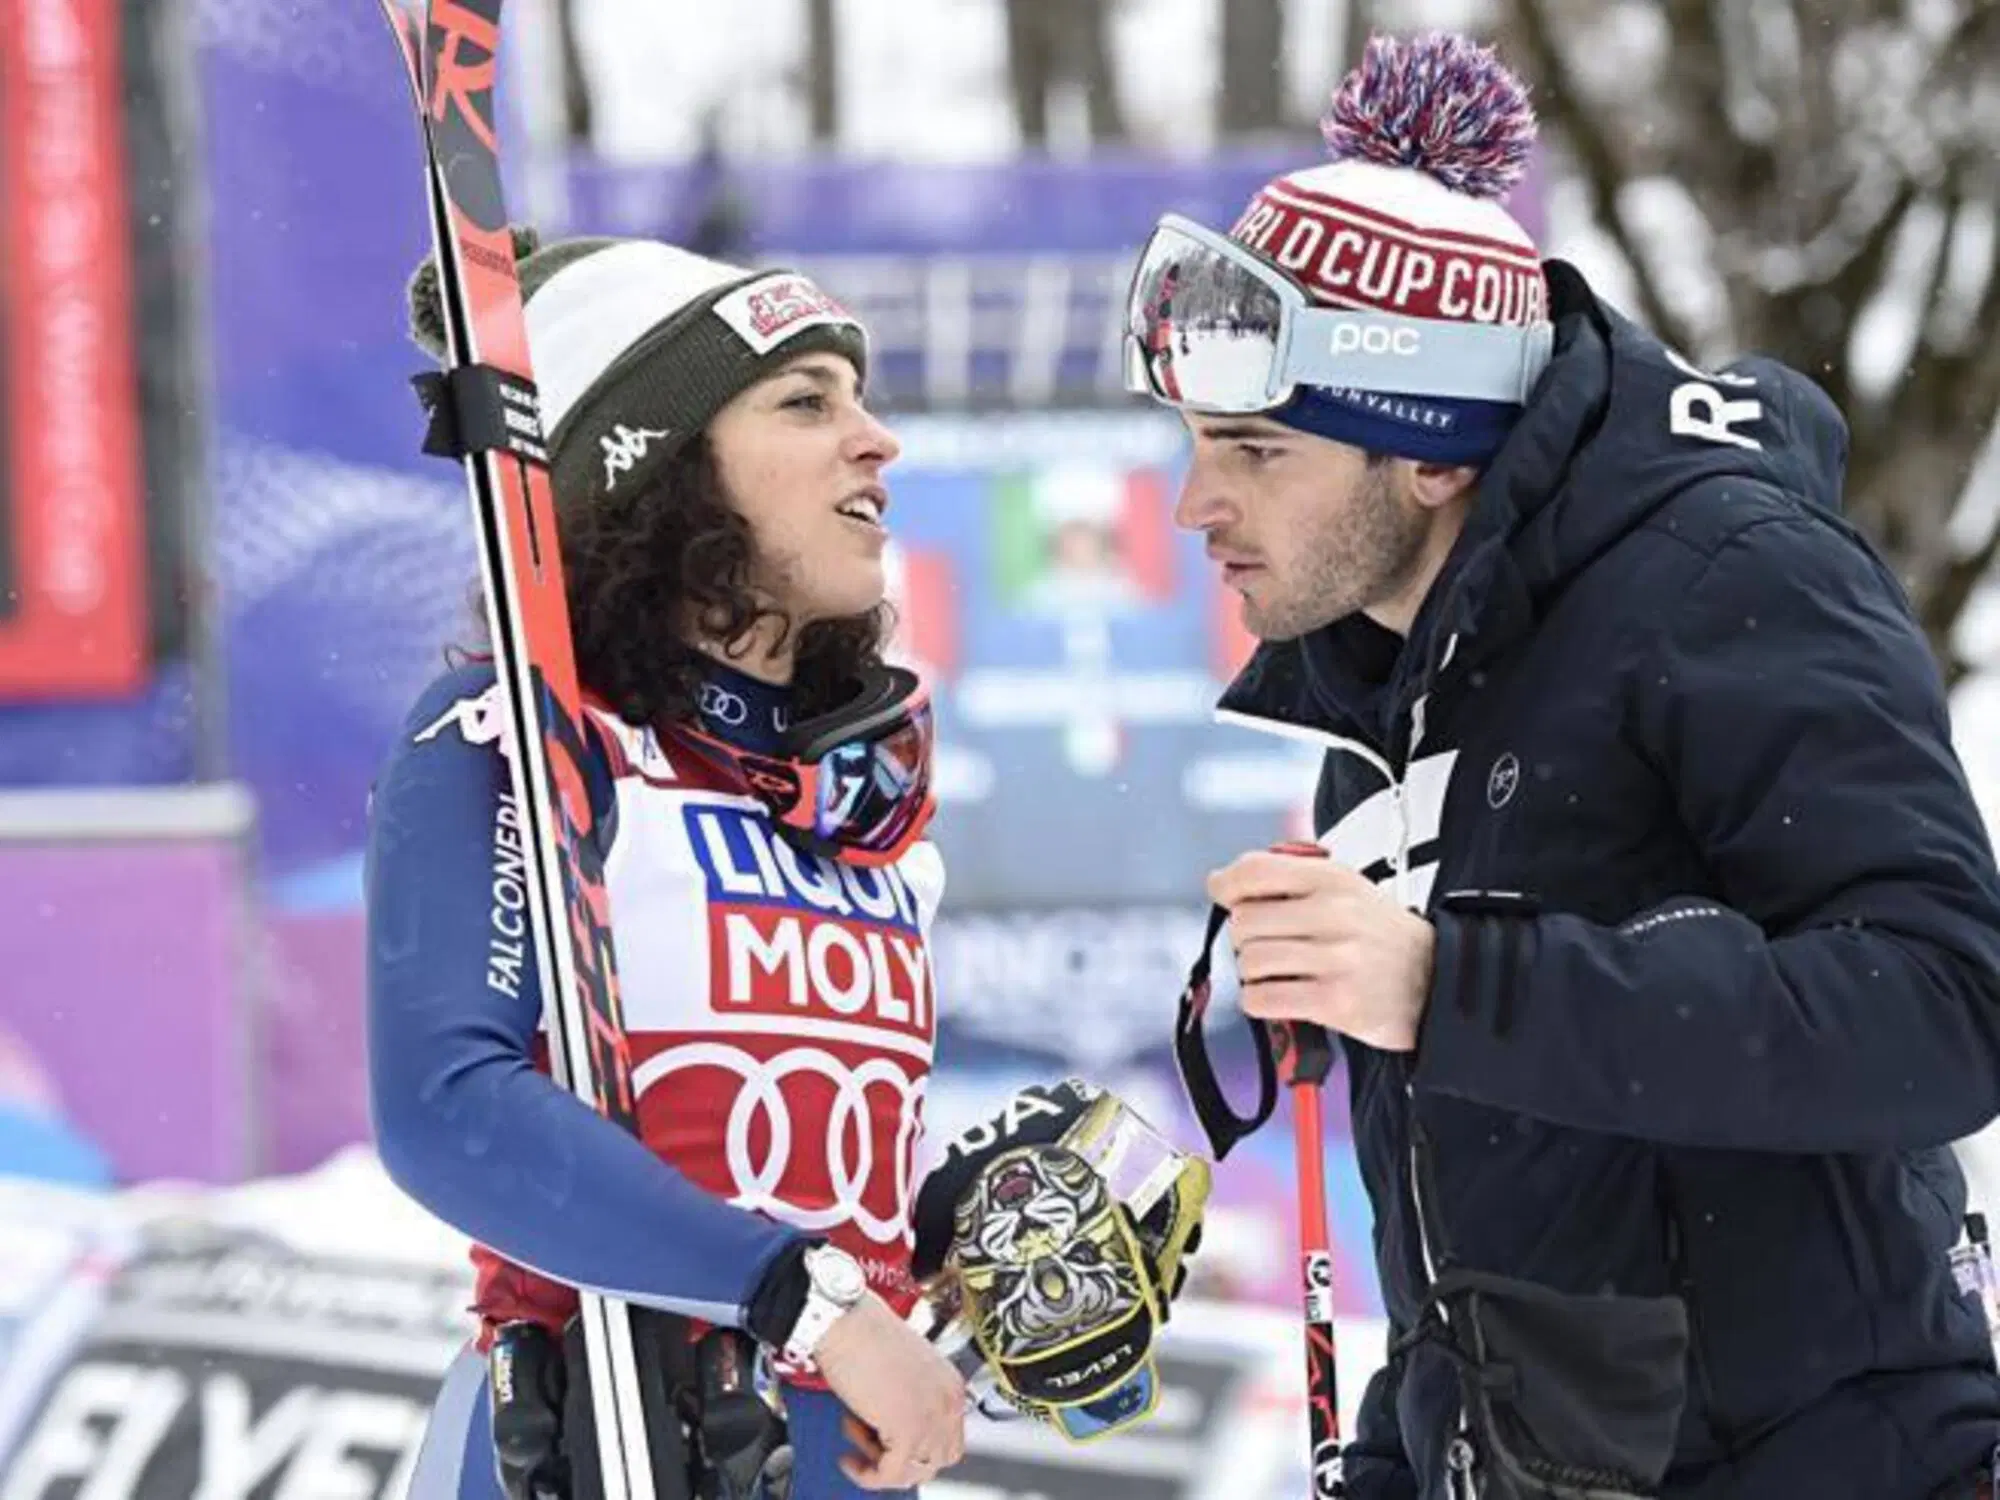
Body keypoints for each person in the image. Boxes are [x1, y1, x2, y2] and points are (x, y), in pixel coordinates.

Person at [1131, 29, 2000, 1500]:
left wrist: (1444, 985)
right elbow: (1489, 1216)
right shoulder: (1387, 693)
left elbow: (1945, 1006)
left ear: (1432, 451)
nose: (1193, 503)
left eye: (1259, 451)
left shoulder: (1729, 573)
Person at [365, 231, 967, 1500]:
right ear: (660, 469)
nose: (876, 440)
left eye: (860, 400)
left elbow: (815, 1195)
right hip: (589, 1449)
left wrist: (961, 1252)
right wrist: (806, 1304)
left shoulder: (861, 815)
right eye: (806, 402)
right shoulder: (526, 747)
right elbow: (448, 1111)